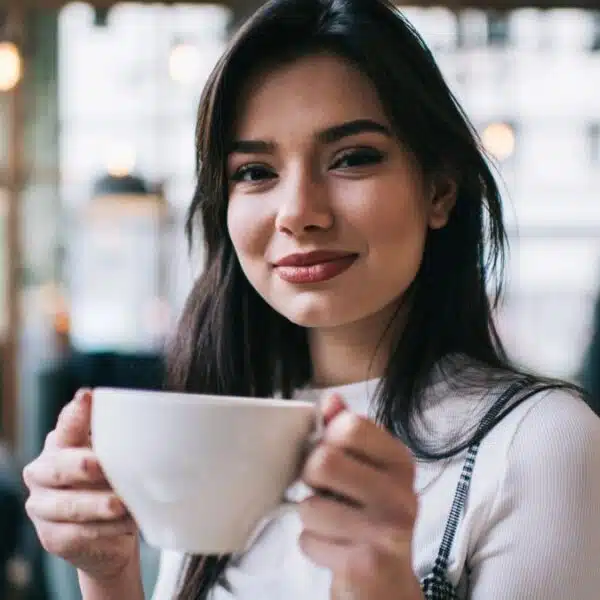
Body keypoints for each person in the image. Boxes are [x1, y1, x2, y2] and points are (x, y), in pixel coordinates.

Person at [22, 0, 600, 599]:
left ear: (440, 190)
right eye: (254, 171)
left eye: (352, 158)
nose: (297, 212)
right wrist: (106, 572)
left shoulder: (541, 442)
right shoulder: (222, 420)